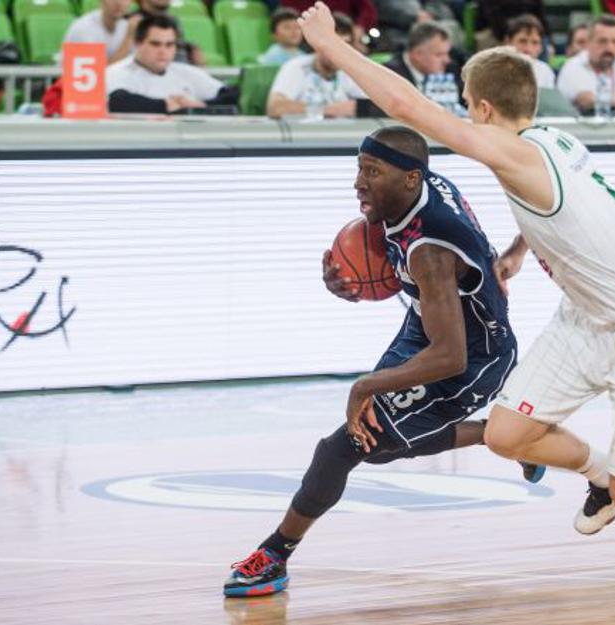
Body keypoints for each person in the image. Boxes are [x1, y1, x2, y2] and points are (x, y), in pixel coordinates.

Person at [297, 2, 615, 615]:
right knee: (508, 436)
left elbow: (406, 107)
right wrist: (516, 253)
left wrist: (332, 45)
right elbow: (572, 211)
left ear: (481, 109)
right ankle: (600, 475)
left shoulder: (514, 154)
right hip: (584, 319)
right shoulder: (553, 139)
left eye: (465, 107)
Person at [224, 125, 532, 597]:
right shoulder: (420, 185)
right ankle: (508, 436)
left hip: (474, 359)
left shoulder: (430, 250)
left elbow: (449, 356)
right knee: (382, 443)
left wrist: (365, 384)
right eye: (359, 169)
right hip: (429, 324)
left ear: (409, 178)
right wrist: (349, 283)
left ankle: (274, 555)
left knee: (345, 445)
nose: (358, 183)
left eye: (371, 172)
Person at [106, 15, 236, 114]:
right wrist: (165, 105)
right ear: (137, 44)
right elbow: (117, 102)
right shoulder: (115, 72)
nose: (163, 51)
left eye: (169, 45)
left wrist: (201, 105)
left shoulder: (186, 72)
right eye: (155, 44)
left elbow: (233, 95)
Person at [266, 12, 367, 118]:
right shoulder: (296, 67)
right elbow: (275, 108)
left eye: (345, 46)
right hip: (306, 128)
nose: (339, 52)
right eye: (334, 45)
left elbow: (373, 105)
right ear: (318, 44)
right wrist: (328, 110)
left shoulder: (350, 70)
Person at [383, 22, 464, 100]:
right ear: (417, 55)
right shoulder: (390, 76)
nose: (447, 60)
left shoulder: (451, 69)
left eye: (447, 53)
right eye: (439, 55)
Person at [63, 0, 133, 63]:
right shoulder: (82, 29)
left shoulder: (129, 24)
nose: (118, 2)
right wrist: (128, 38)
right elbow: (95, 72)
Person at [504, 14, 556, 89]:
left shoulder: (545, 71)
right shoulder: (494, 70)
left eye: (535, 42)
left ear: (541, 47)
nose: (528, 49)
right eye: (522, 41)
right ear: (508, 42)